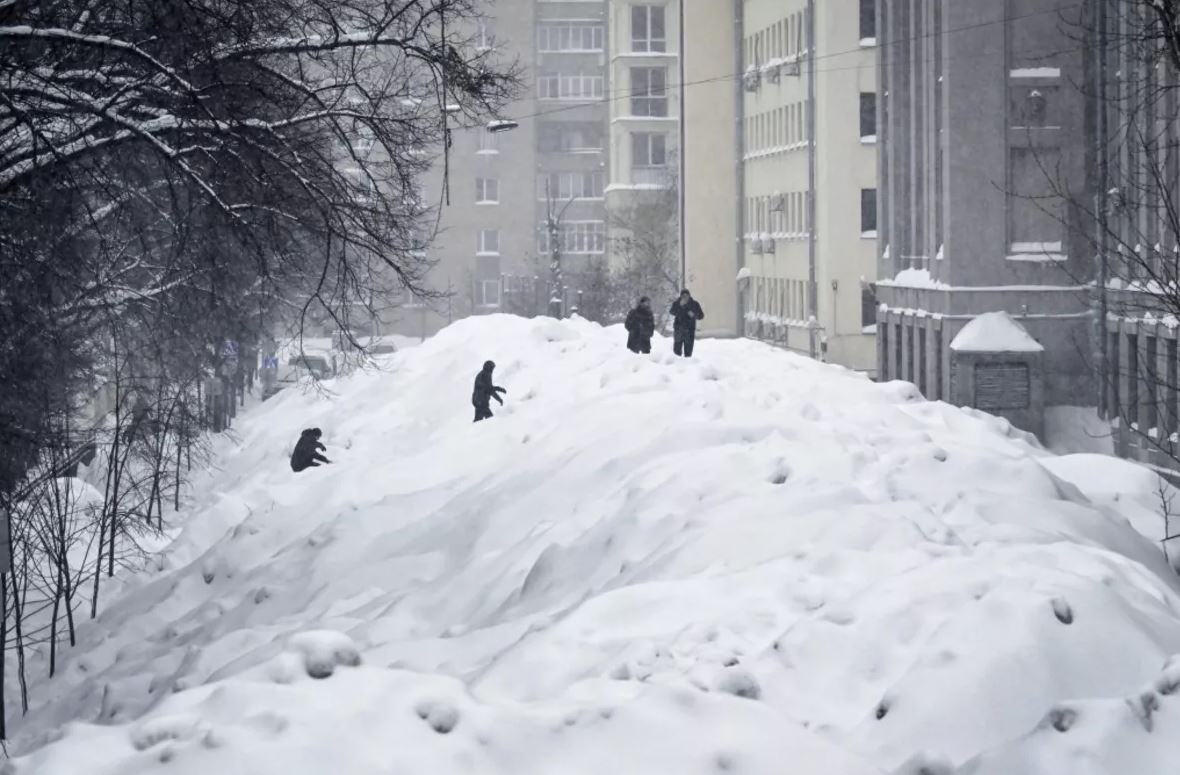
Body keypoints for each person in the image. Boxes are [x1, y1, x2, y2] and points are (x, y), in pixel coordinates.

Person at [669, 289, 705, 358]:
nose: (685, 297)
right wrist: (679, 306)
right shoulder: (677, 303)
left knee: (688, 353)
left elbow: (701, 316)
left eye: (686, 295)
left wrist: (694, 315)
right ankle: (676, 367)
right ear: (681, 296)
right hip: (678, 331)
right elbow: (672, 312)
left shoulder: (695, 304)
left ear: (689, 295)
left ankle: (688, 367)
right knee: (676, 353)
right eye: (683, 295)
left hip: (690, 331)